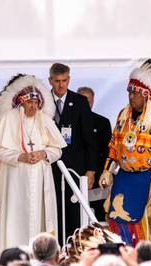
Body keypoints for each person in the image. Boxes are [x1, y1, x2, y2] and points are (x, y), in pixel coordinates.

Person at [99, 59, 151, 245]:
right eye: (129, 92)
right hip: (124, 177)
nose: (131, 96)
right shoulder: (122, 116)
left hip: (148, 179)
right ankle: (123, 254)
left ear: (146, 96)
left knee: (145, 221)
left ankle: (145, 255)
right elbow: (114, 147)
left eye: (136, 93)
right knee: (116, 218)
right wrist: (107, 170)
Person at [0, 74, 66, 256]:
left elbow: (58, 149)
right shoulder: (8, 118)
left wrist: (44, 153)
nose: (33, 106)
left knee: (38, 219)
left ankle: (39, 255)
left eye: (36, 102)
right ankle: (12, 255)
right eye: (29, 102)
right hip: (14, 180)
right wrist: (19, 156)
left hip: (40, 179)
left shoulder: (45, 120)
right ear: (21, 102)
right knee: (14, 218)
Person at [48, 63, 98, 243]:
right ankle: (55, 247)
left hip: (75, 168)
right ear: (50, 81)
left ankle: (75, 247)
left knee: (74, 210)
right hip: (49, 167)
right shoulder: (42, 101)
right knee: (53, 210)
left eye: (64, 81)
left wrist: (91, 170)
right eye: (57, 81)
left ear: (69, 79)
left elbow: (89, 140)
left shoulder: (79, 102)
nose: (61, 85)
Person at [78, 86, 112, 221]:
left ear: (93, 101)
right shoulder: (68, 122)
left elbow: (108, 151)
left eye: (89, 100)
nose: (86, 104)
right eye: (82, 100)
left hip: (97, 178)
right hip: (75, 175)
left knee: (98, 215)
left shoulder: (102, 122)